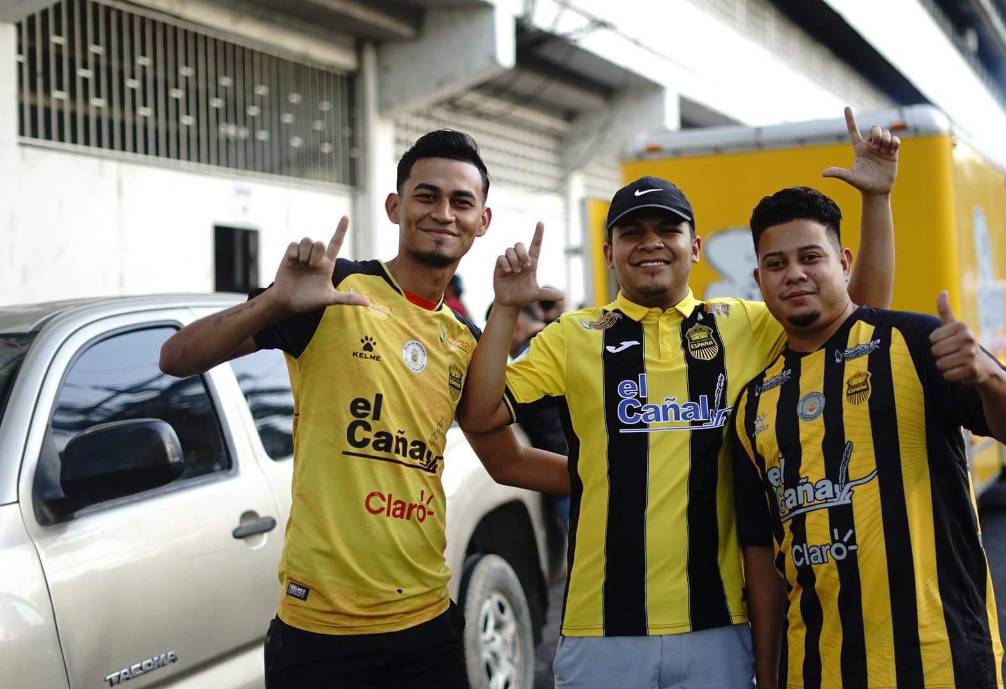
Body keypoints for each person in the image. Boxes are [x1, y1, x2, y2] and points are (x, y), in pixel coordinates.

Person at [460, 107, 900, 689]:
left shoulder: (744, 323)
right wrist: (507, 310)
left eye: (666, 230)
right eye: (632, 233)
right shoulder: (575, 335)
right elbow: (481, 413)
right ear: (609, 253)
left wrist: (877, 201)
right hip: (601, 628)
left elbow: (853, 320)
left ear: (694, 246)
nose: (650, 244)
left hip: (721, 623)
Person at [159, 130, 568, 689]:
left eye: (461, 201)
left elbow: (507, 461)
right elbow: (177, 357)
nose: (443, 213)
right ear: (396, 206)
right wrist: (275, 302)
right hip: (320, 637)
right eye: (426, 196)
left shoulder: (466, 339)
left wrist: (617, 476)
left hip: (428, 624)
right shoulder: (331, 290)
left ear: (483, 221)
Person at [730, 186, 1006, 689]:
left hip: (940, 659)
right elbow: (763, 562)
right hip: (816, 671)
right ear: (759, 279)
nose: (794, 274)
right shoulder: (751, 406)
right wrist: (767, 677)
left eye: (811, 257)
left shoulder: (913, 342)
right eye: (776, 263)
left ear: (844, 262)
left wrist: (989, 375)